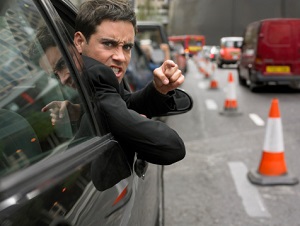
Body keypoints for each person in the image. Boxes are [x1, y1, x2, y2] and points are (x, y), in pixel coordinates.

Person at [29, 23, 186, 171]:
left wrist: (158, 89)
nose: (63, 79)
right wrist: (79, 111)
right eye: (56, 75)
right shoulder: (93, 91)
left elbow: (172, 147)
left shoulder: (99, 86)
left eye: (64, 64)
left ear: (81, 45)